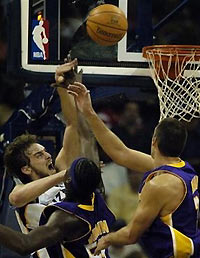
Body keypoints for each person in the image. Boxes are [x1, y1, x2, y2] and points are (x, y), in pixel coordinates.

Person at [67, 82, 200, 258]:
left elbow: (131, 235)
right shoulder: (182, 169)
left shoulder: (160, 185)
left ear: (154, 141)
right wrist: (89, 113)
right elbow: (121, 153)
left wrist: (106, 240)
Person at [3, 59, 98, 257]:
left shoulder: (61, 168)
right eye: (39, 155)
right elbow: (15, 198)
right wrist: (66, 174)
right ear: (26, 169)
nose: (47, 154)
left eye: (45, 151)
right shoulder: (23, 191)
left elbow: (71, 124)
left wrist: (62, 86)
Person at [0, 157, 116, 257]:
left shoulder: (67, 218)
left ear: (68, 180)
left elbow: (25, 244)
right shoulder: (96, 198)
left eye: (67, 173)